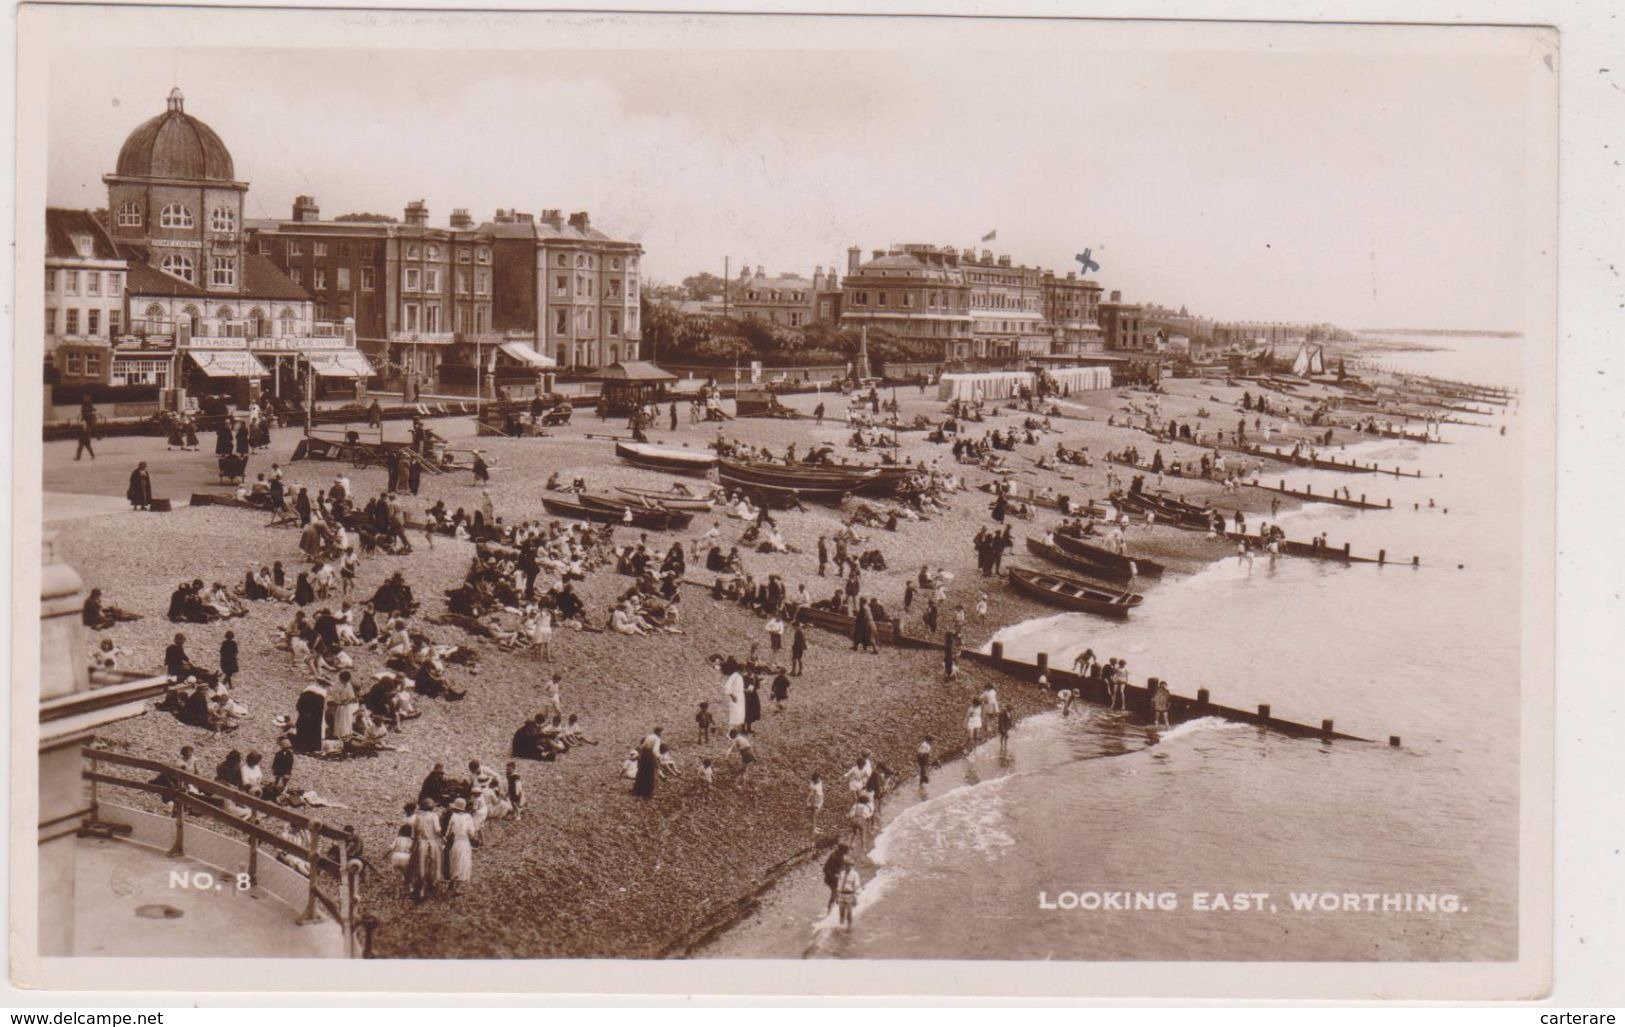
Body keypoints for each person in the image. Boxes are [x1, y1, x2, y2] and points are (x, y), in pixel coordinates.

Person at [407, 799, 444, 902]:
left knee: (419, 866)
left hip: (420, 843)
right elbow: (437, 830)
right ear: (431, 807)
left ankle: (419, 889)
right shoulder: (434, 816)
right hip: (432, 842)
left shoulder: (418, 817)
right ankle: (430, 884)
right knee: (433, 864)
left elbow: (413, 834)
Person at [442, 798, 476, 895]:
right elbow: (472, 833)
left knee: (454, 863)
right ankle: (456, 888)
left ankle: (451, 885)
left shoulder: (453, 817)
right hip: (464, 842)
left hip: (455, 843)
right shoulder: (468, 817)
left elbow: (448, 832)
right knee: (463, 864)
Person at [633, 727, 662, 799]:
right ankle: (648, 793)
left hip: (644, 755)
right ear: (659, 732)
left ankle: (638, 790)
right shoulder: (657, 739)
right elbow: (655, 750)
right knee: (650, 774)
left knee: (642, 772)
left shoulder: (649, 736)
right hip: (650, 756)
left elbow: (643, 746)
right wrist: (659, 758)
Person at [835, 857, 863, 928]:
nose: (846, 867)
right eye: (845, 865)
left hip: (850, 895)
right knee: (841, 912)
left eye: (848, 865)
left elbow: (857, 886)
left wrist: (855, 897)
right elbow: (839, 884)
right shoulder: (842, 873)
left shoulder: (855, 874)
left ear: (851, 866)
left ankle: (849, 928)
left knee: (849, 914)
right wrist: (837, 896)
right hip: (841, 895)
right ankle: (841, 927)